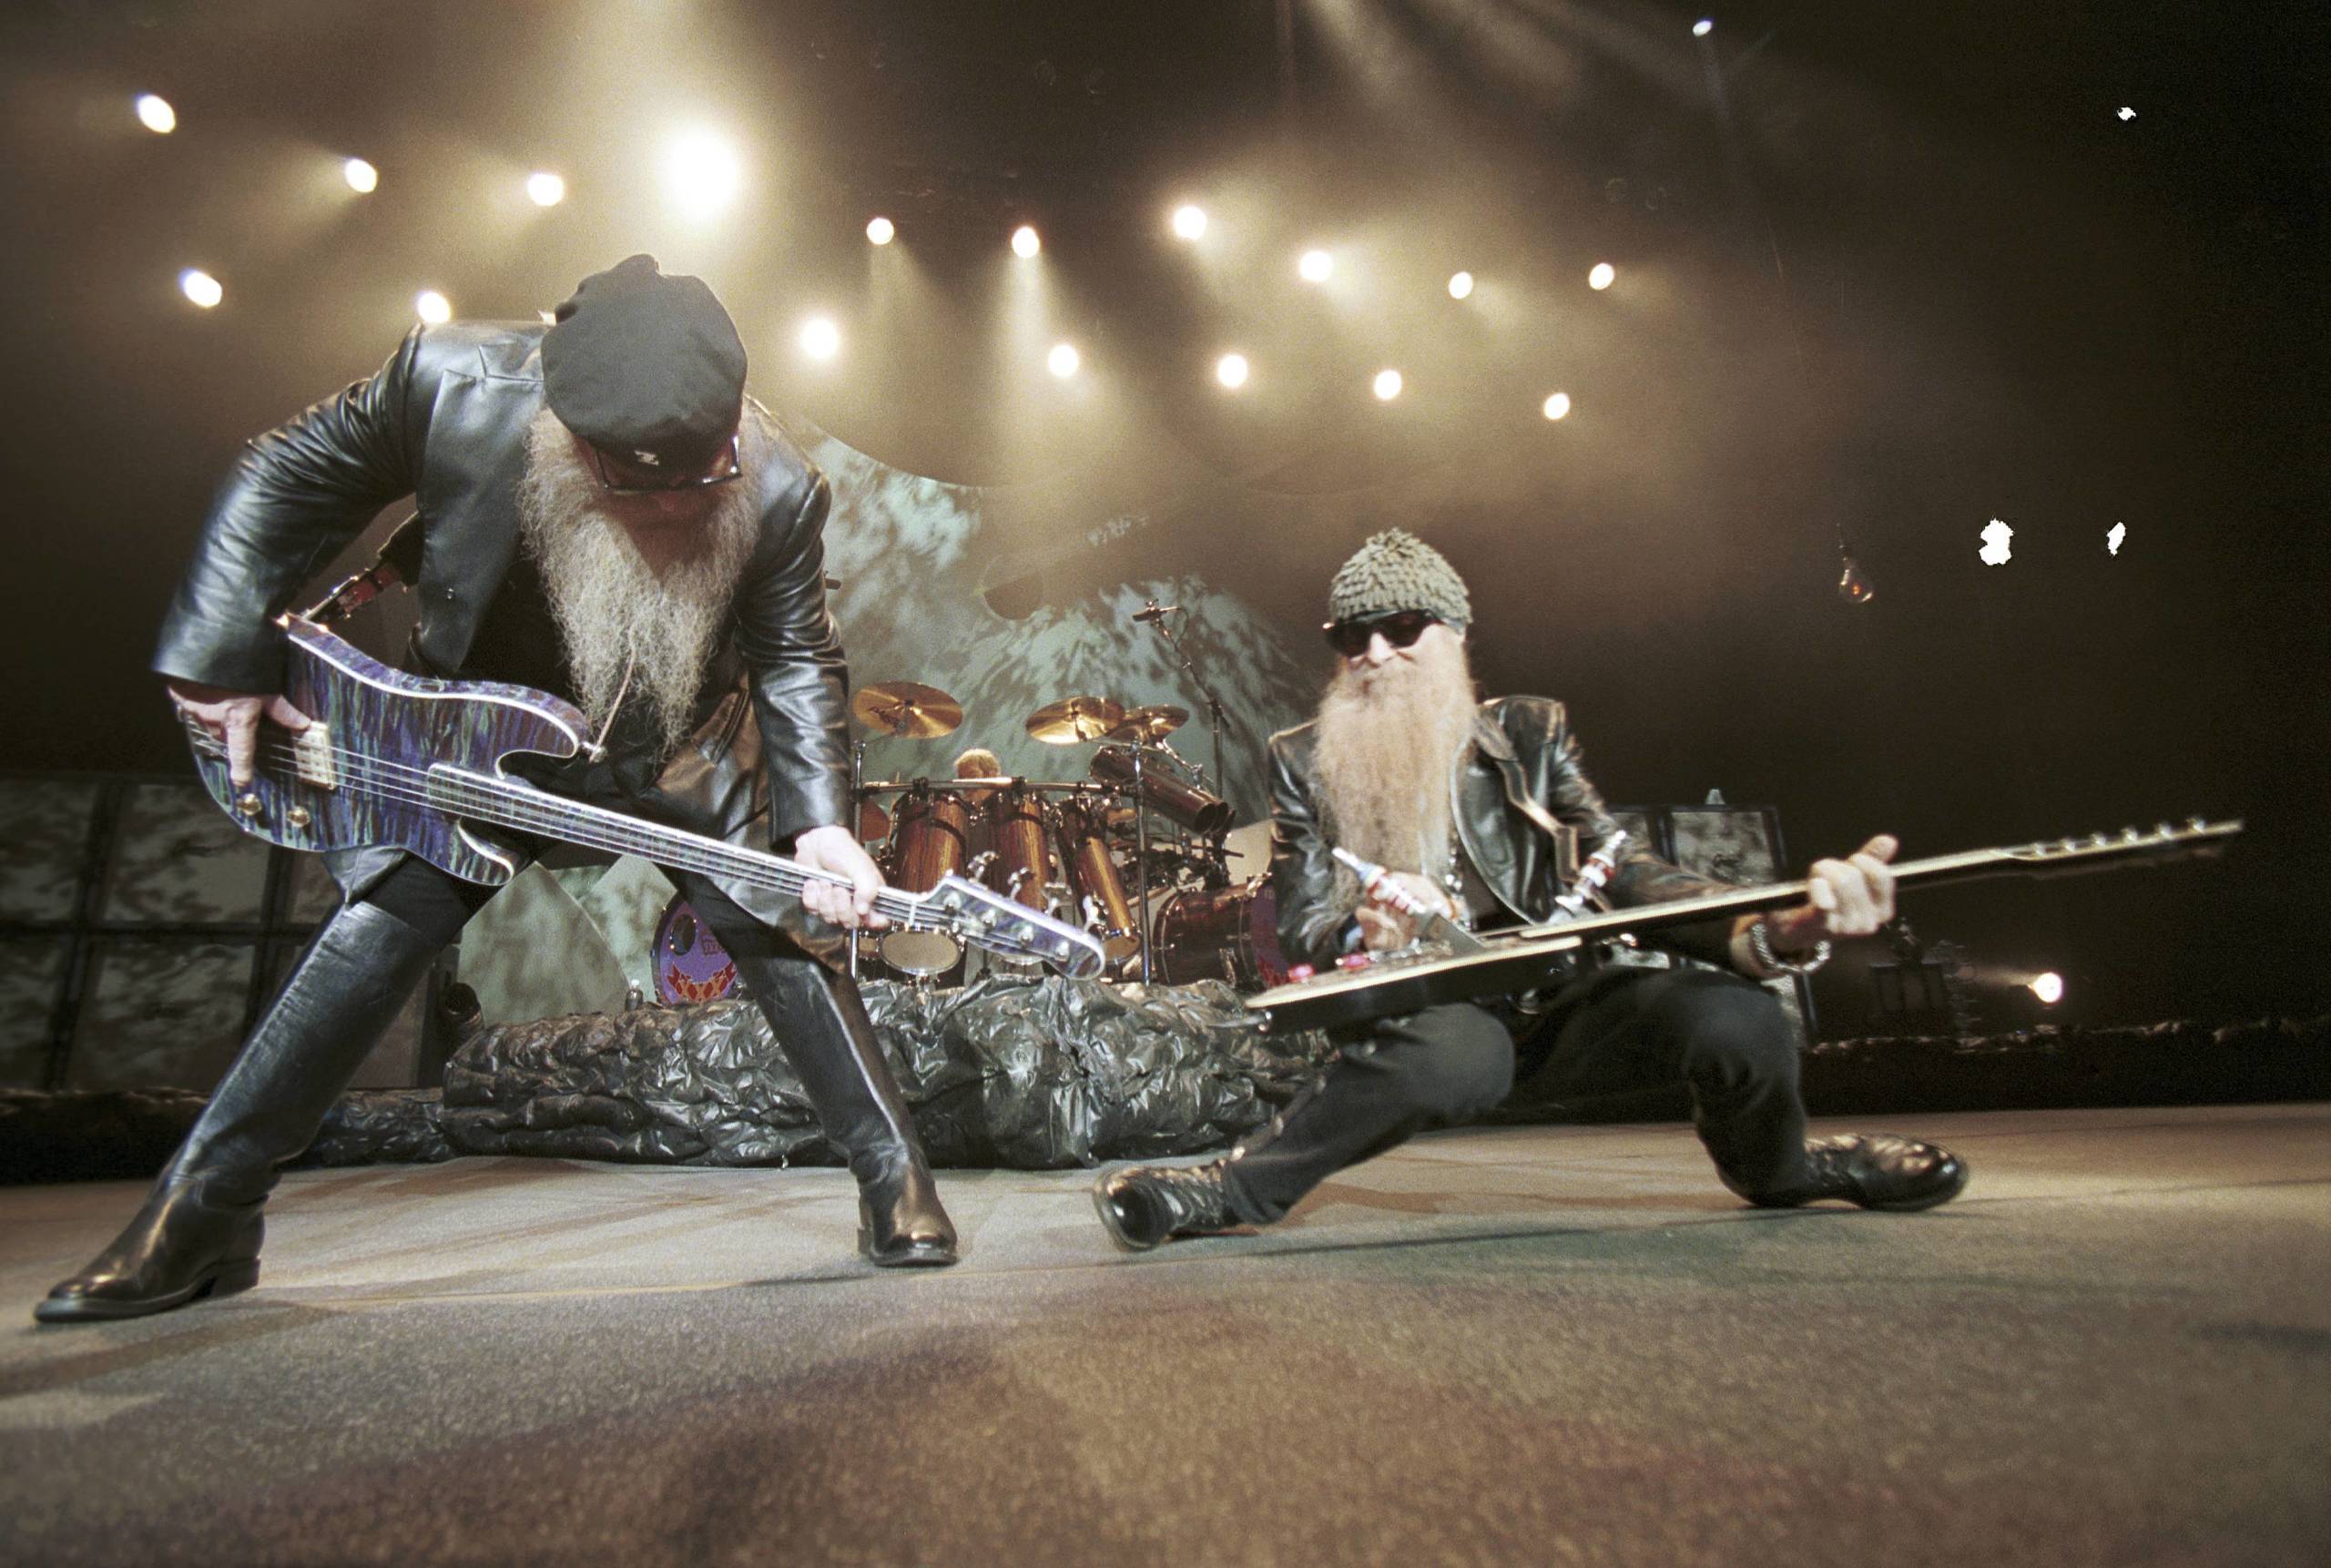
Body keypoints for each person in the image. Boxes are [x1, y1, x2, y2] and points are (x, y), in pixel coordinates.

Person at [39, 256, 956, 1324]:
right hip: (474, 729)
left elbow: (797, 655)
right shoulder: (447, 381)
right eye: (634, 483)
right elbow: (284, 473)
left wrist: (819, 828)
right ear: (567, 442)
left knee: (776, 927)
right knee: (376, 928)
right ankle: (204, 1214)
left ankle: (897, 1181)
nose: (670, 507)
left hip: (685, 744)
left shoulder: (783, 487)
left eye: (698, 480)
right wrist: (217, 656)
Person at [1094, 529, 1966, 1248]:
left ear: (1455, 635)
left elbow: (1622, 867)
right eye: (1348, 638)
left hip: (1573, 998)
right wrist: (1366, 934)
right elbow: (1307, 919)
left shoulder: (1530, 733)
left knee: (1742, 1018)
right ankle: (1228, 1191)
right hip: (1440, 1020)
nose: (1373, 654)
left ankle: (1787, 1170)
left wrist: (1781, 922)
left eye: (1400, 627)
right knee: (1454, 1058)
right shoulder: (1301, 759)